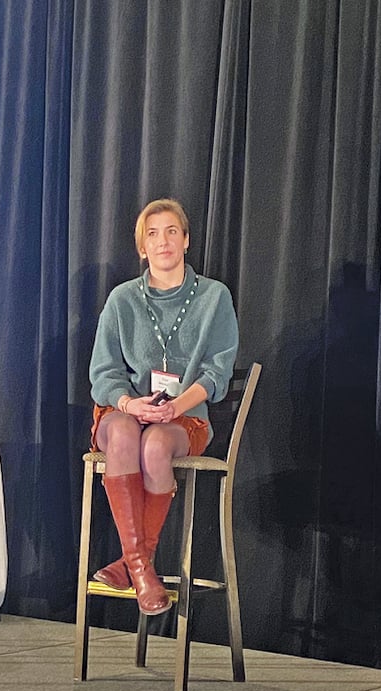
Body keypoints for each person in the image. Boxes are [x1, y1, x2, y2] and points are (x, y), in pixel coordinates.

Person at [88, 198, 239, 615]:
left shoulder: (213, 297)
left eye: (172, 231)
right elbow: (103, 373)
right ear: (142, 249)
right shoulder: (122, 299)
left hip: (183, 419)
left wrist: (176, 408)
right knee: (122, 432)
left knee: (154, 446)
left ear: (187, 240)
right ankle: (142, 570)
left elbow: (215, 373)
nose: (163, 241)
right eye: (152, 234)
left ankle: (132, 564)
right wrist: (129, 403)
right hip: (124, 411)